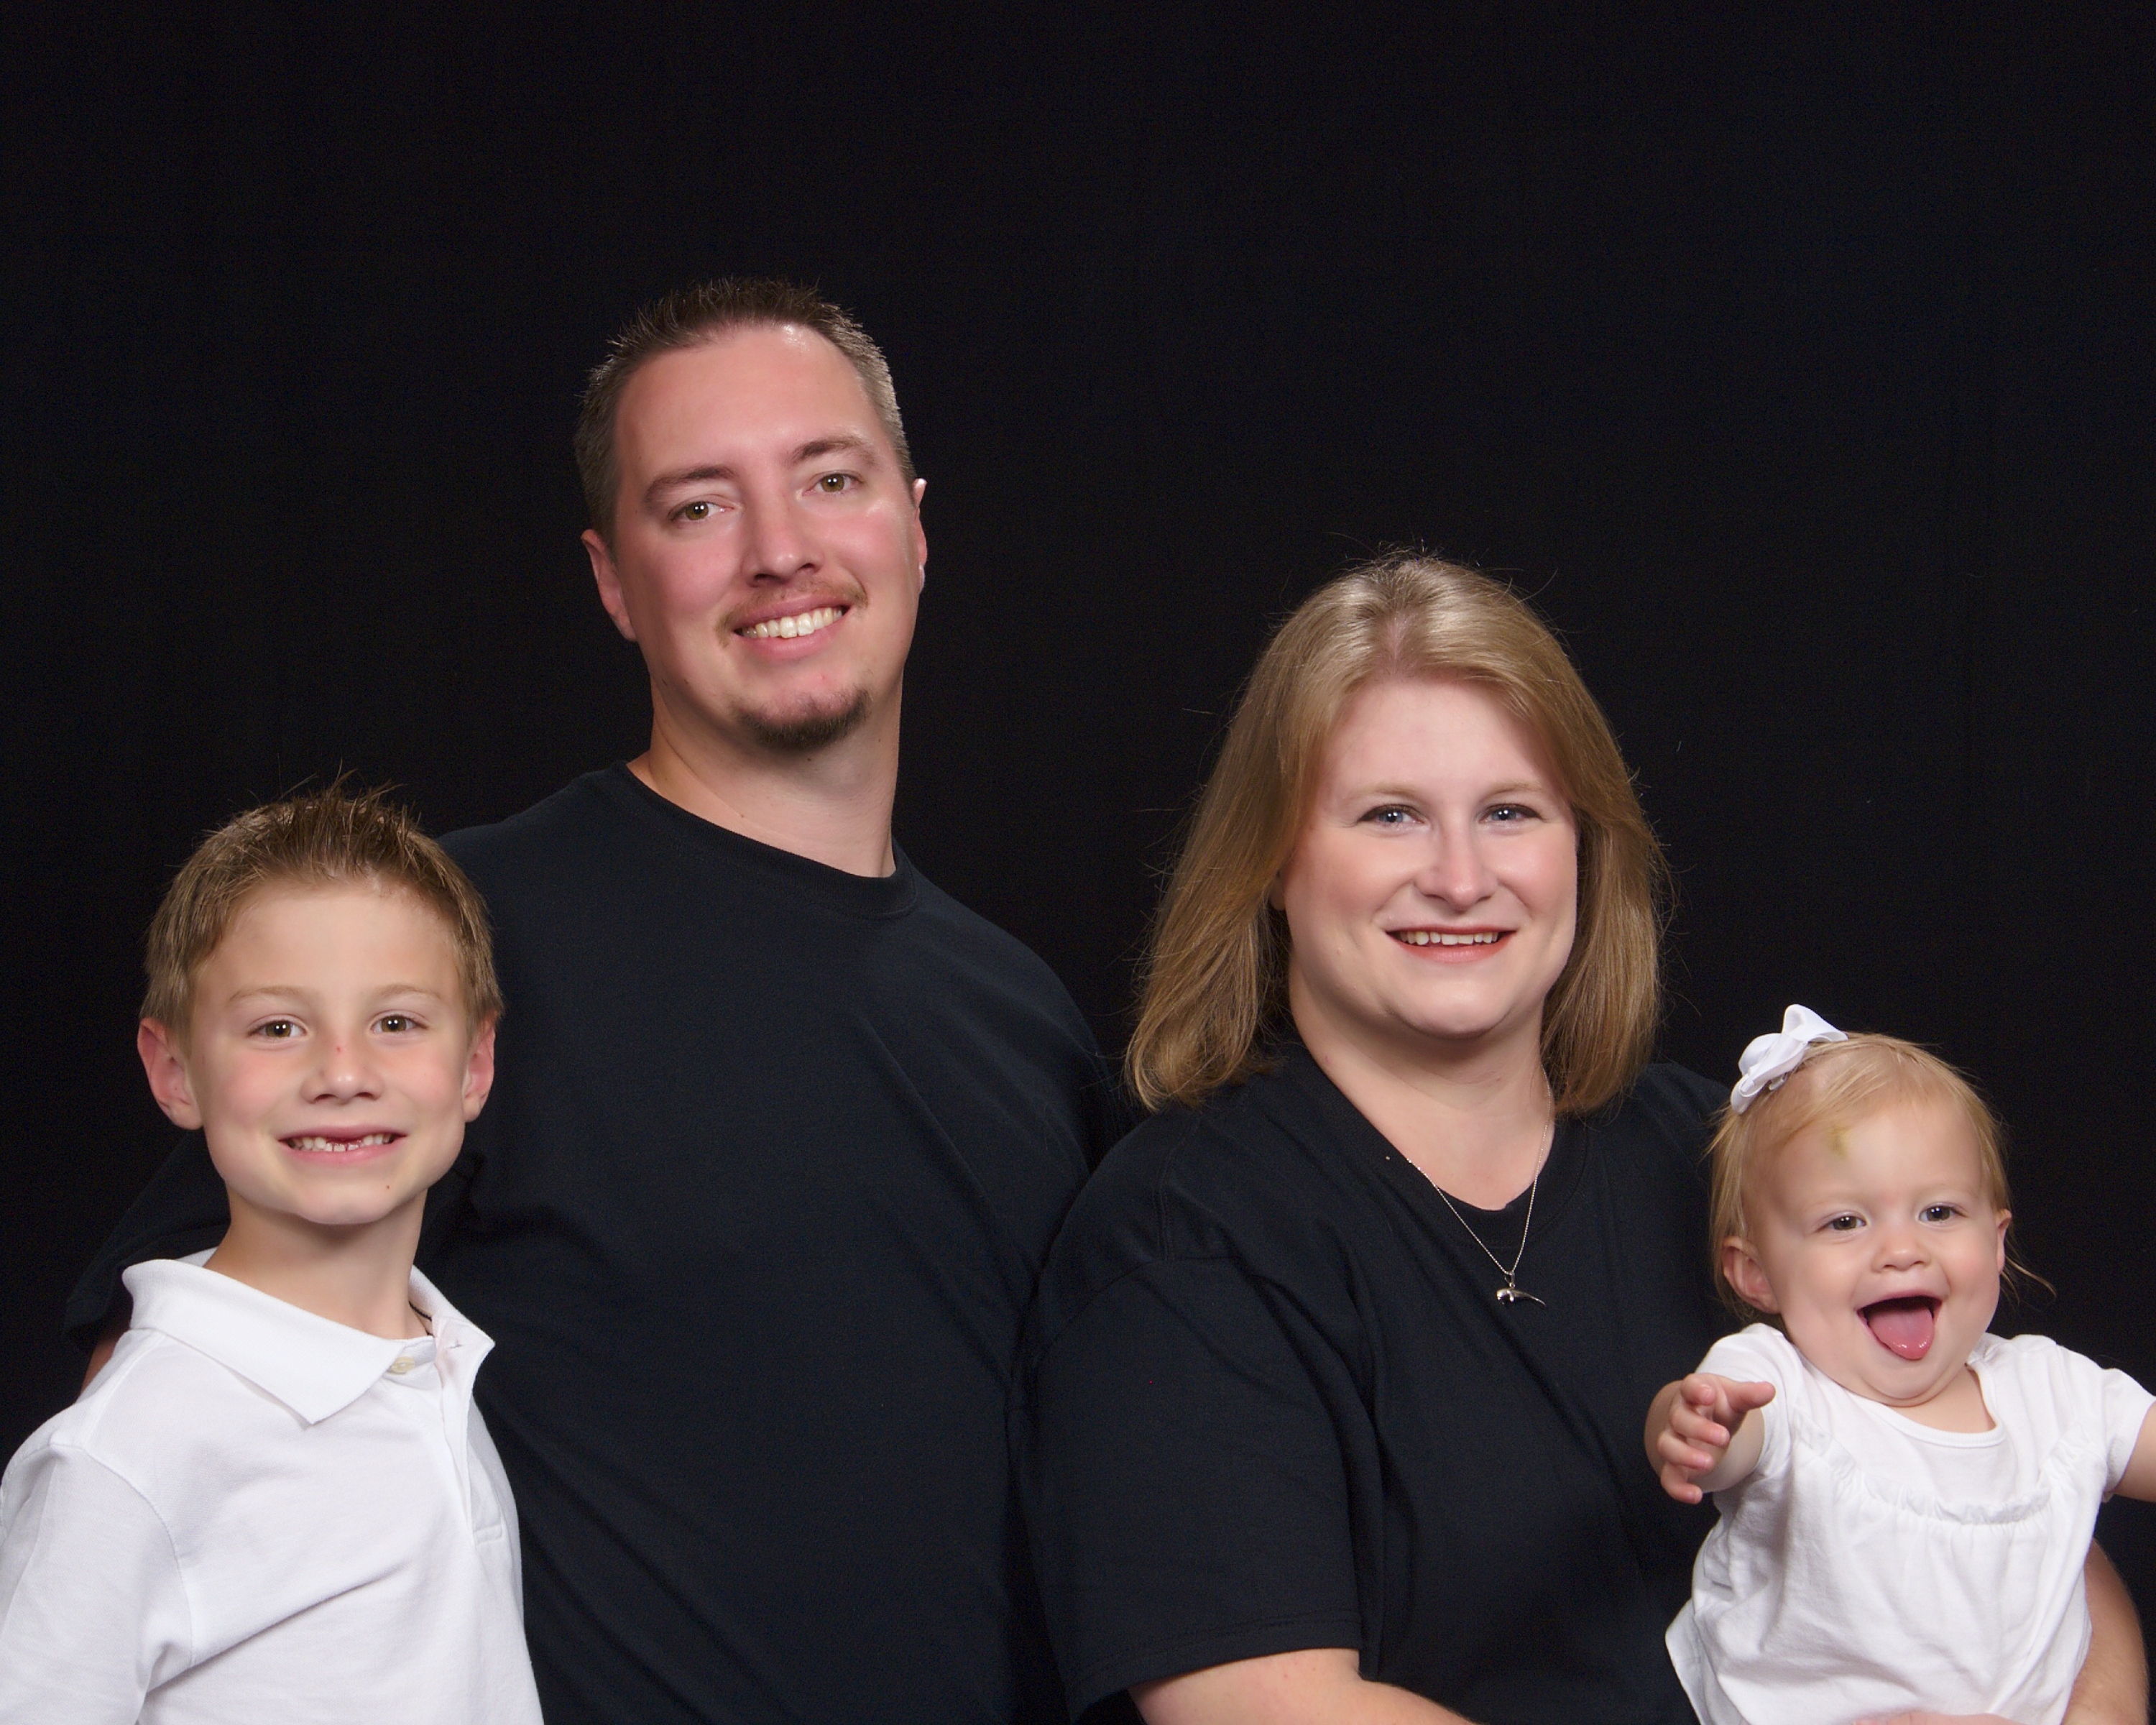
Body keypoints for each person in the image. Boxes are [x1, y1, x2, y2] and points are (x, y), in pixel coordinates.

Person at [68, 280, 1115, 1723]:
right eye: (698, 507)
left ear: (915, 526)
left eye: (830, 479)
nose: (781, 549)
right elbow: (163, 1413)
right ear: (614, 580)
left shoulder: (1025, 1020)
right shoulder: (441, 953)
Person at [1013, 555, 2144, 1725]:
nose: (1461, 878)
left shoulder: (1730, 1161)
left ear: (1585, 851)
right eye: (1391, 815)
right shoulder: (1182, 1241)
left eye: (1510, 812)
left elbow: (2013, 1491)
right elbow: (1263, 1704)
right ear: (1273, 864)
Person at [1, 789, 540, 1723]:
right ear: (176, 1072)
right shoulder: (124, 1458)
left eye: (397, 1022)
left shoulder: (441, 1367)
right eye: (277, 1028)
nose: (343, 1073)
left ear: (475, 1066)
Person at [1647, 1008, 2156, 1725]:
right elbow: (1728, 1434)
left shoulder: (2052, 1390)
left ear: (1997, 1241)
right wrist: (1697, 1426)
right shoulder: (1779, 1383)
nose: (1902, 1251)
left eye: (1939, 1213)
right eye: (1845, 1222)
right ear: (1756, 1274)